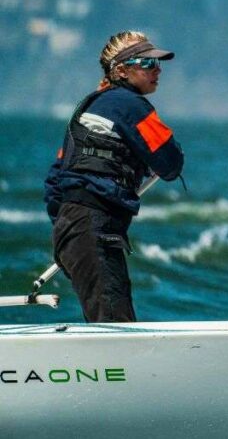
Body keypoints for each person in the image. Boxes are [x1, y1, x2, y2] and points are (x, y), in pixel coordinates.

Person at [44, 31, 184, 322]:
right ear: (121, 70)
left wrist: (71, 224)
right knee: (114, 325)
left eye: (158, 64)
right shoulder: (129, 104)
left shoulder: (89, 107)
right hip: (94, 227)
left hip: (70, 228)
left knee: (109, 320)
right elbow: (171, 163)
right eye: (148, 63)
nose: (157, 70)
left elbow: (54, 185)